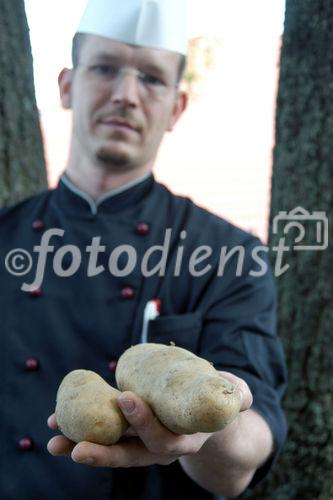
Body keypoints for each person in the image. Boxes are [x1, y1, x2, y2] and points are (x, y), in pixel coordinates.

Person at [0, 0, 287, 498]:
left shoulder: (230, 254)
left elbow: (242, 461)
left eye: (152, 78)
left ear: (176, 107)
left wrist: (215, 422)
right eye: (106, 68)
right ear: (67, 86)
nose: (126, 94)